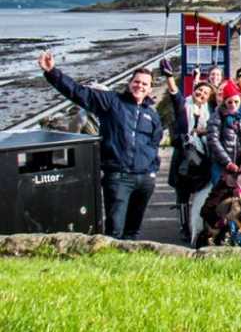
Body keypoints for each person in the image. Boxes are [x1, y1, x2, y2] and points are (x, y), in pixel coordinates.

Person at [38, 51, 164, 240]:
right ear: (130, 83)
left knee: (133, 231)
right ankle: (112, 265)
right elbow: (78, 92)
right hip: (119, 177)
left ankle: (130, 266)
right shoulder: (112, 102)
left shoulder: (152, 115)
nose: (140, 86)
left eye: (144, 84)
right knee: (115, 231)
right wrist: (52, 72)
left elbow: (155, 142)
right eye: (136, 82)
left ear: (150, 89)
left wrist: (152, 172)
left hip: (144, 179)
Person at [166, 74, 212, 241]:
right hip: (183, 155)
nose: (202, 94)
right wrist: (169, 77)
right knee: (183, 194)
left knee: (200, 192)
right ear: (194, 90)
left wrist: (203, 132)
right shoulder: (184, 105)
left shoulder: (209, 111)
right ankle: (184, 227)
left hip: (202, 156)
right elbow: (174, 94)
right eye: (200, 90)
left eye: (206, 93)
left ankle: (198, 225)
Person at [198, 157, 241, 247]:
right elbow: (206, 209)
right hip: (217, 226)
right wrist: (220, 222)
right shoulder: (227, 181)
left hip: (235, 231)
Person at [206, 80, 241, 185]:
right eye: (229, 102)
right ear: (224, 102)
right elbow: (213, 139)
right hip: (221, 163)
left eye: (236, 101)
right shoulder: (217, 114)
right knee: (219, 193)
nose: (233, 105)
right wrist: (227, 162)